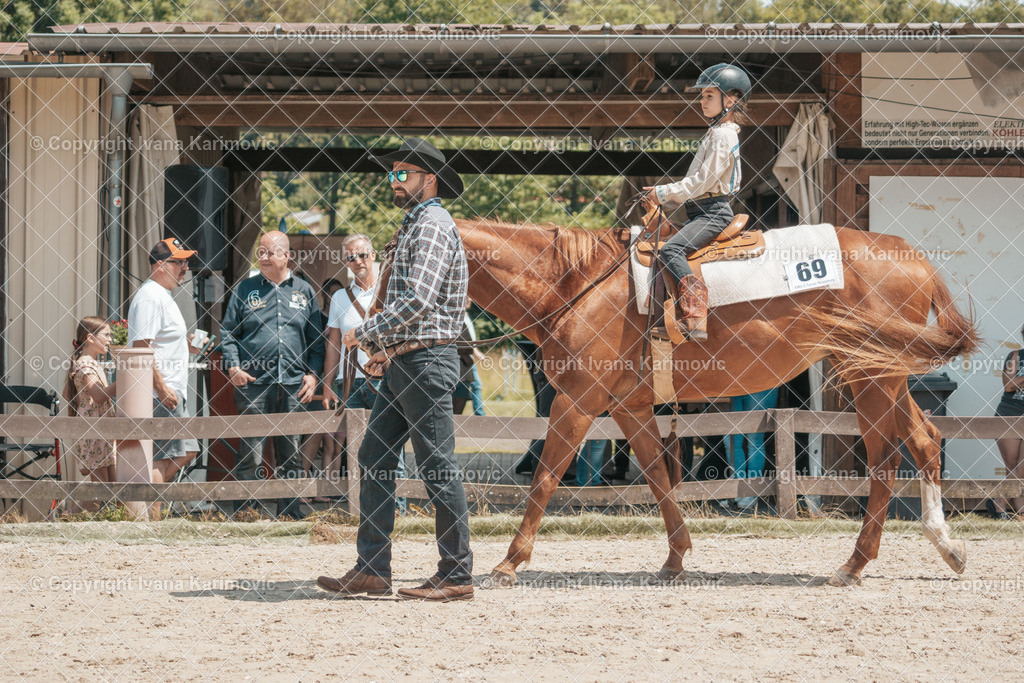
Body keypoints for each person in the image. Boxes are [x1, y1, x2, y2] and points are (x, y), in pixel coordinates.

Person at [317, 137, 473, 601]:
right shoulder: (415, 224)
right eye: (392, 173)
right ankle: (372, 568)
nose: (394, 180)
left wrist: (367, 333)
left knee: (437, 464)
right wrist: (386, 344)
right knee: (374, 456)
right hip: (408, 359)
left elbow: (420, 300)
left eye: (403, 173)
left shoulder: (431, 226)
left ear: (430, 178)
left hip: (426, 361)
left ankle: (457, 573)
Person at [221, 230, 325, 520]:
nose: (264, 258)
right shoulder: (245, 290)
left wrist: (313, 375)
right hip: (253, 383)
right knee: (251, 452)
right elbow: (228, 331)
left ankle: (289, 513)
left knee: (291, 452)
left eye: (270, 252)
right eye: (260, 253)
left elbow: (317, 340)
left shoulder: (304, 291)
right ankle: (246, 513)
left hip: (293, 385)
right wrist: (233, 366)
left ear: (287, 256)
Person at [643, 63, 751, 341]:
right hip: (700, 211)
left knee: (671, 250)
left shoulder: (722, 134)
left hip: (712, 213)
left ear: (731, 99)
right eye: (702, 96)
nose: (702, 102)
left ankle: (695, 315)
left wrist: (662, 194)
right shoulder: (718, 132)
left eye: (709, 96)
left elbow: (703, 182)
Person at [321, 235, 408, 512]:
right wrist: (328, 383)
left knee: (392, 443)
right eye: (350, 257)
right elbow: (333, 344)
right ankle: (366, 509)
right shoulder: (339, 298)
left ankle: (399, 507)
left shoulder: (393, 288)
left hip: (388, 377)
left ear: (372, 255)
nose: (357, 261)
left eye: (361, 255)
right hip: (352, 381)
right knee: (359, 449)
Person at [127, 238, 201, 519]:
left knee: (187, 450)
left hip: (169, 390)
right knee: (165, 456)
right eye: (179, 262)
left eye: (186, 261)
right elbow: (141, 349)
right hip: (161, 392)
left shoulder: (161, 295)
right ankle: (150, 519)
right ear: (160, 265)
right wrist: (161, 387)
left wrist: (187, 345)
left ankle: (146, 513)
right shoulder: (150, 297)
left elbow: (157, 343)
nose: (185, 267)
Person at [63, 317, 118, 501]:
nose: (110, 339)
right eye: (106, 335)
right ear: (90, 338)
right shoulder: (86, 364)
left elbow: (67, 393)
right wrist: (126, 380)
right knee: (103, 490)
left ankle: (72, 516)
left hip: (99, 428)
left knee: (109, 488)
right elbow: (99, 395)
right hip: (94, 430)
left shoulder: (85, 362)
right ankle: (69, 515)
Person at [300, 277, 343, 498]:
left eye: (339, 293)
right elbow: (317, 349)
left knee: (337, 443)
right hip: (321, 383)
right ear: (324, 295)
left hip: (341, 380)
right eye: (331, 293)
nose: (335, 297)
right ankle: (304, 487)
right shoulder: (317, 318)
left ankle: (329, 489)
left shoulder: (345, 314)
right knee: (315, 435)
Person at [729, 387, 781, 511]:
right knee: (732, 440)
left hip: (760, 385)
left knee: (754, 440)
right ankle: (736, 491)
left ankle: (752, 492)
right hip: (734, 386)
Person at [992, 335, 1024, 519]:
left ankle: (998, 503)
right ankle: (1019, 511)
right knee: (1012, 467)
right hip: (1009, 415)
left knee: (1020, 469)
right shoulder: (1016, 356)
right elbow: (1009, 385)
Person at [453, 307, 486, 416]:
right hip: (459, 365)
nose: (468, 300)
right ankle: (479, 414)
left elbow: (469, 344)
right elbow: (466, 345)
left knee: (468, 390)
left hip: (465, 364)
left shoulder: (465, 319)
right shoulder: (457, 319)